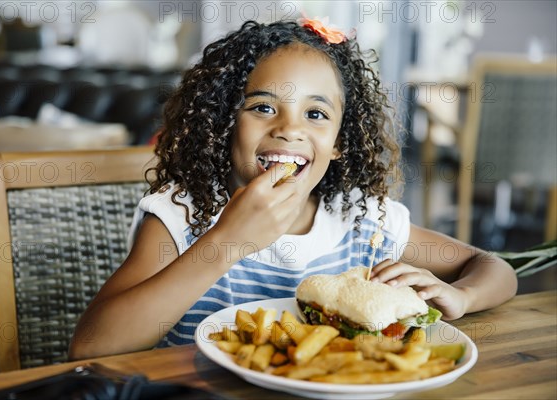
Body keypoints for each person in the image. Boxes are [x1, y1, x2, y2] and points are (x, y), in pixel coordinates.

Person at [69, 18, 517, 360]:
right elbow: (91, 347)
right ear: (226, 124)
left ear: (340, 142)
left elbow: (491, 266)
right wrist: (226, 244)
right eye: (263, 107)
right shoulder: (183, 215)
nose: (289, 129)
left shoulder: (363, 220)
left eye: (316, 114)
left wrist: (462, 297)